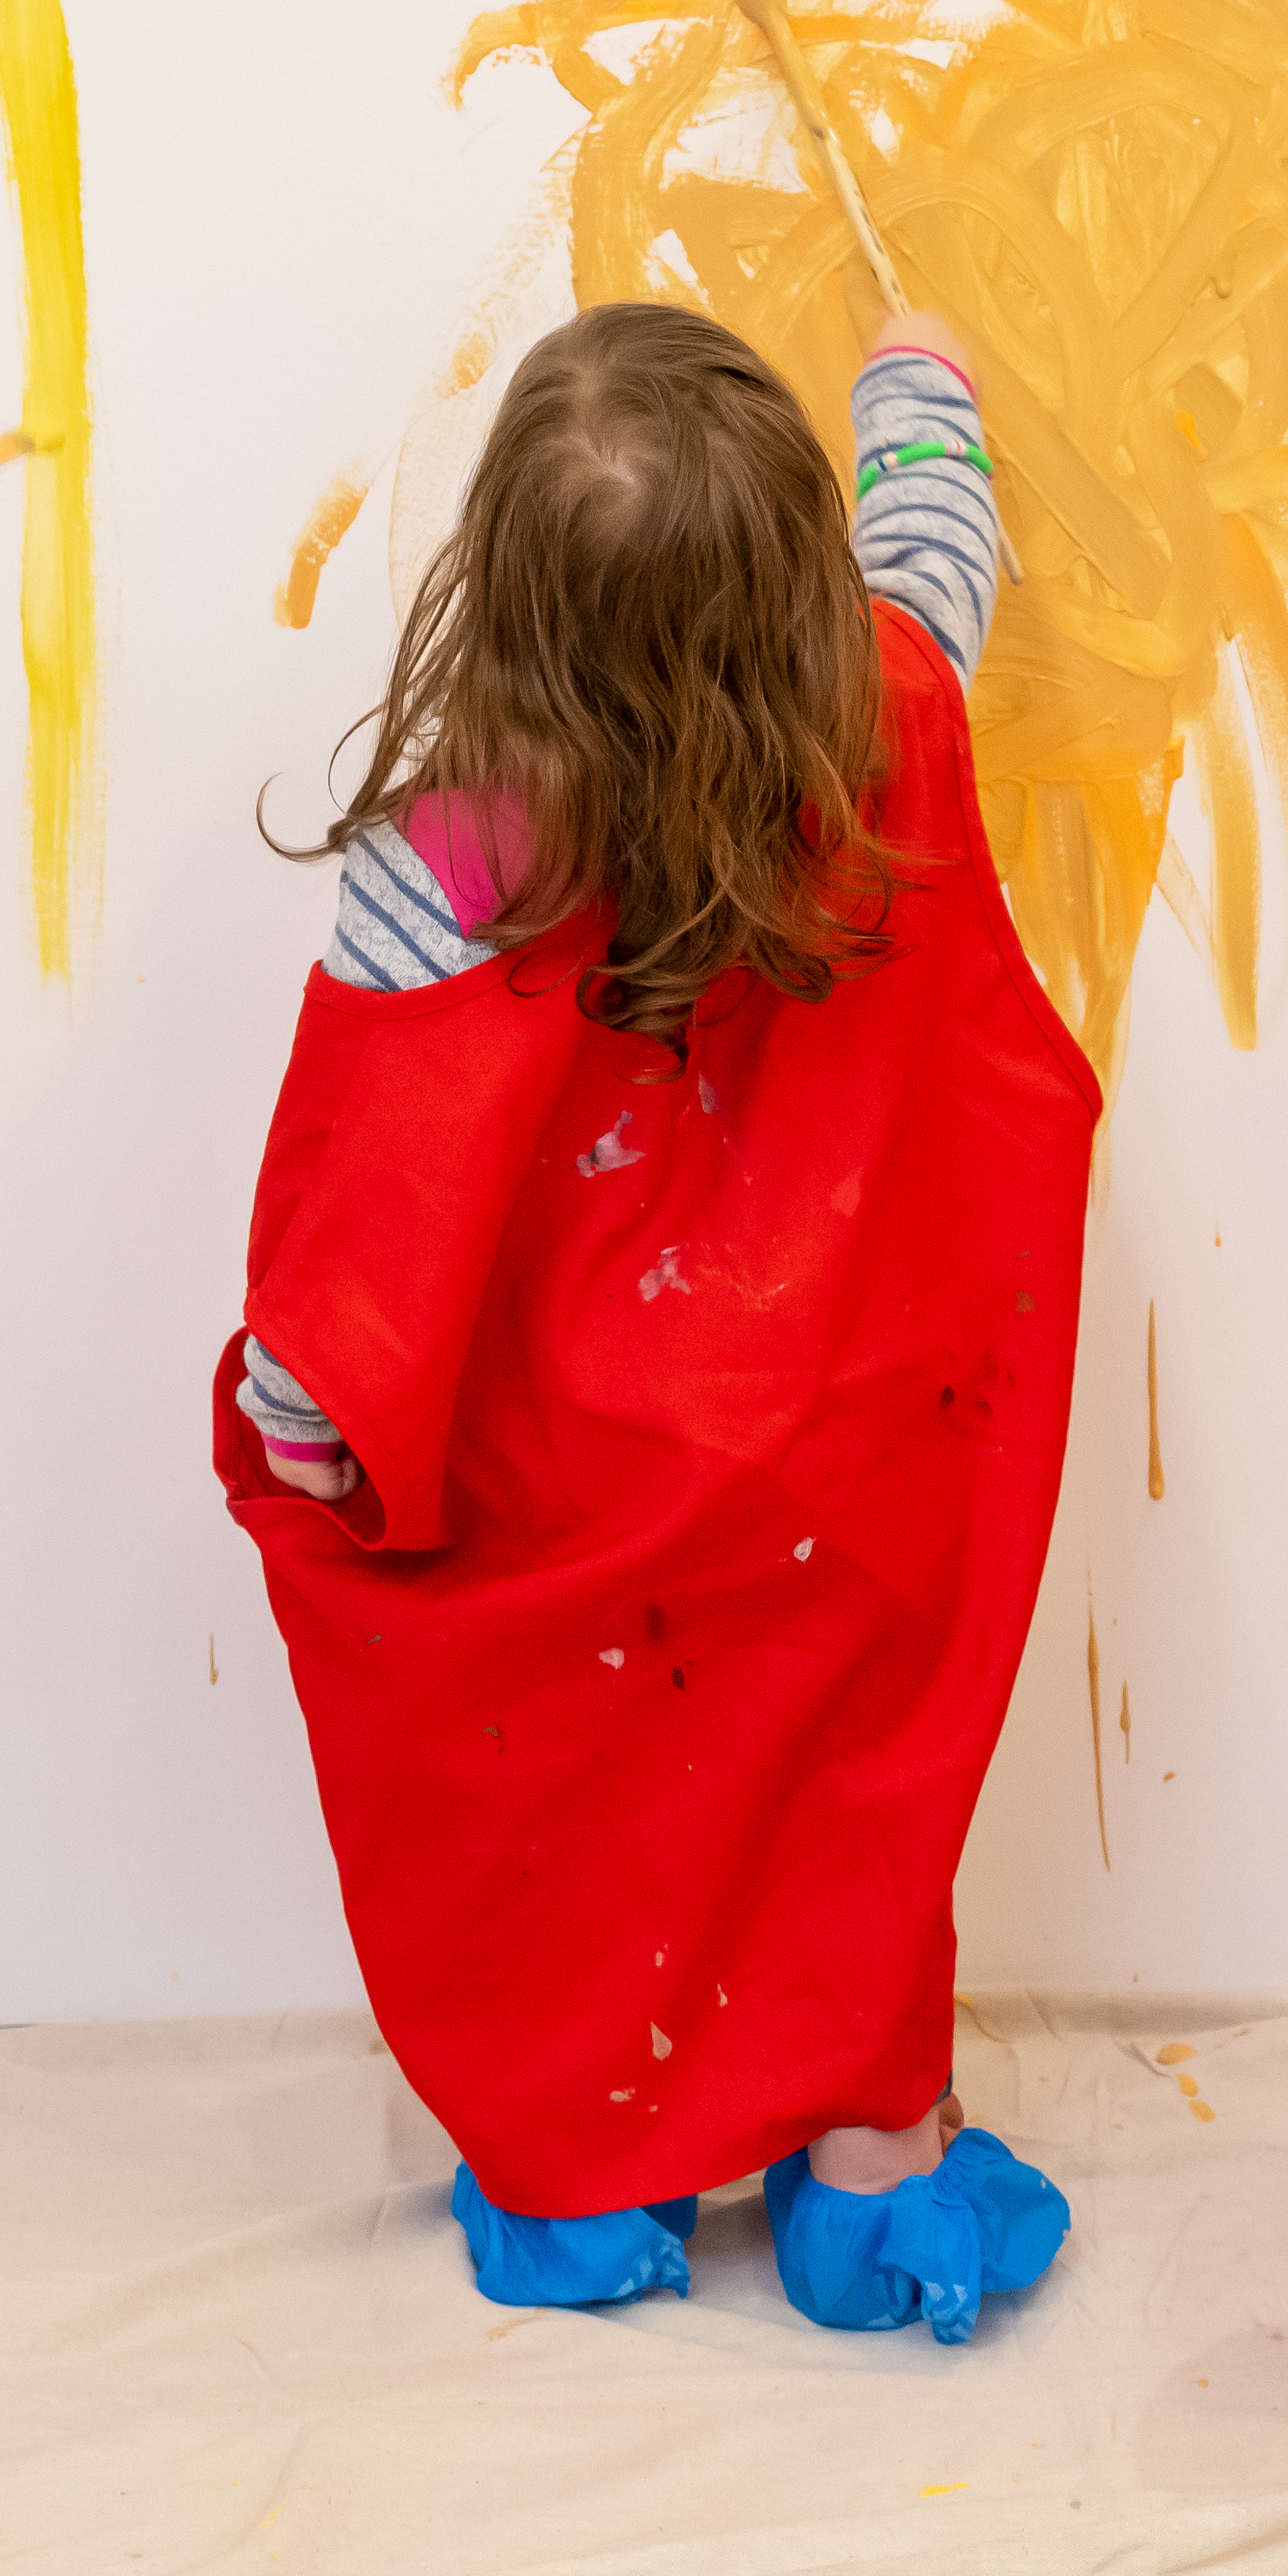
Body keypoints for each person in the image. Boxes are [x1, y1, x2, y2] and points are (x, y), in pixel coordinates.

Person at [213, 297, 1102, 2336]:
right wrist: (920, 382)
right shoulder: (886, 709)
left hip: (575, 1471)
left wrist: (302, 1433)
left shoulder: (448, 856)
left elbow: (360, 1218)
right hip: (857, 1431)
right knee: (844, 1786)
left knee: (575, 1804)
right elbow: (936, 548)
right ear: (795, 573)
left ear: (499, 594)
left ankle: (578, 2176)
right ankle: (874, 2169)